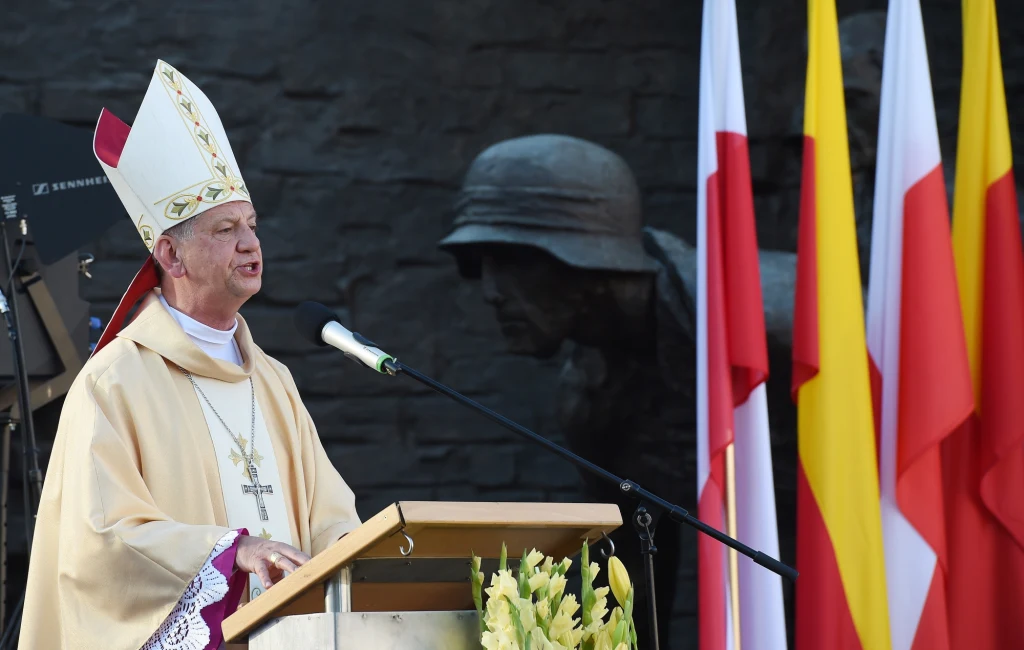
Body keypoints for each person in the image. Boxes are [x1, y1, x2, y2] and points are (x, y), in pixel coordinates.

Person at [19, 60, 360, 650]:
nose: (251, 242)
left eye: (251, 225)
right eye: (226, 229)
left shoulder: (274, 382)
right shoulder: (113, 383)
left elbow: (332, 516)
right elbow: (100, 545)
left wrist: (354, 560)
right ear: (171, 256)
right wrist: (231, 555)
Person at [439, 134, 796, 649]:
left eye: (514, 262)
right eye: (481, 267)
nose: (492, 291)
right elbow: (633, 586)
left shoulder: (776, 317)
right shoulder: (591, 402)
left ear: (583, 260)